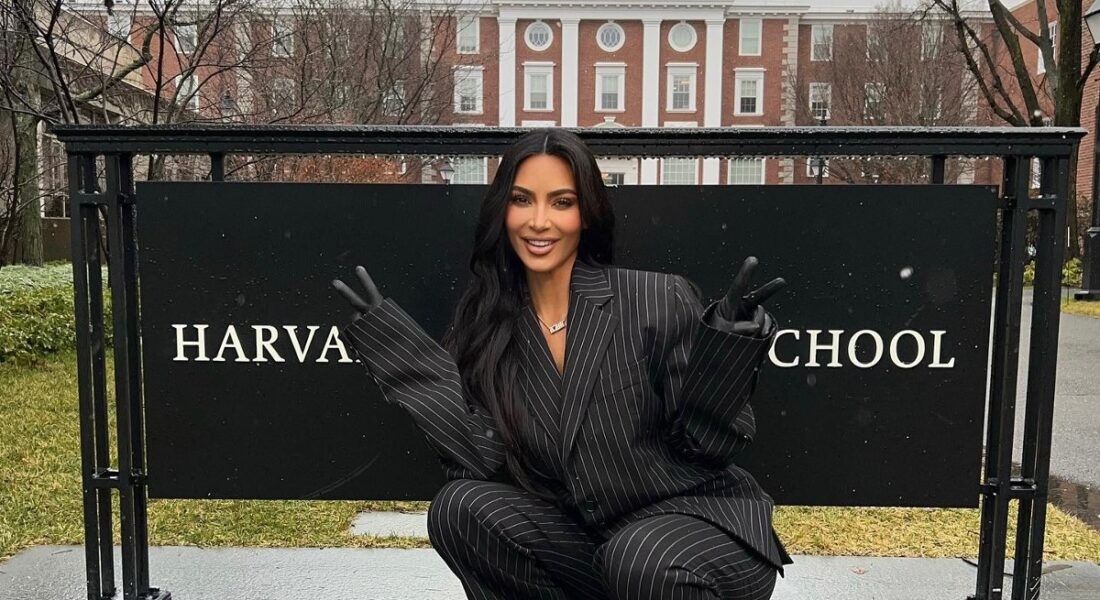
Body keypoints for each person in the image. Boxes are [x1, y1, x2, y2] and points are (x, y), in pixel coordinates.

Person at [333, 128, 790, 599]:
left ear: (586, 213)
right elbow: (480, 457)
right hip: (591, 543)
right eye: (522, 200)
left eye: (561, 202)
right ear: (503, 210)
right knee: (459, 508)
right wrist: (401, 355)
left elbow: (706, 446)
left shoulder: (656, 297)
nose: (539, 221)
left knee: (638, 557)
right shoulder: (488, 327)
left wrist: (724, 354)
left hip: (695, 528)